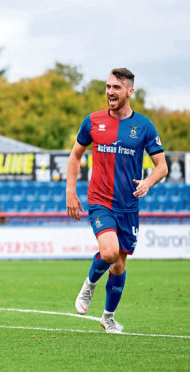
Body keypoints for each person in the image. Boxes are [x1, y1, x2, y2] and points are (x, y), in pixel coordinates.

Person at [66, 68, 168, 334]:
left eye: (116, 87)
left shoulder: (144, 126)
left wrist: (148, 181)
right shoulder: (92, 121)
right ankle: (89, 284)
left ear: (129, 92)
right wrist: (70, 191)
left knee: (119, 264)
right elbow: (75, 156)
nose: (110, 92)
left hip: (128, 206)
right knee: (109, 253)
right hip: (100, 200)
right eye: (108, 86)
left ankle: (108, 317)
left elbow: (162, 166)